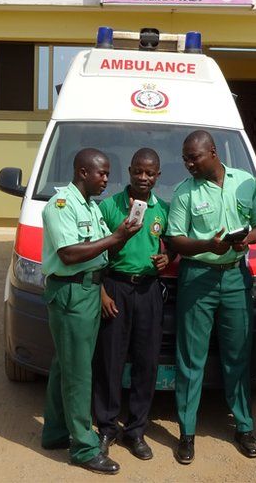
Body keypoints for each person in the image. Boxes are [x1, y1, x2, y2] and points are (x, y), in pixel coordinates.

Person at [165, 130, 256, 464]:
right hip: (198, 276)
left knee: (237, 354)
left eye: (193, 157)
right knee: (191, 358)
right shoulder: (185, 192)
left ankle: (243, 426)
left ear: (212, 152)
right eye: (185, 158)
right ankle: (187, 433)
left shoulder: (246, 183)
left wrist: (248, 238)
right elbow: (176, 240)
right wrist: (208, 245)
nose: (188, 164)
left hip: (236, 278)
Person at [39, 148, 141, 475]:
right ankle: (83, 448)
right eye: (102, 173)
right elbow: (69, 254)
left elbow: (101, 254)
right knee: (79, 372)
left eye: (108, 174)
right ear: (83, 171)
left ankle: (55, 431)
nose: (107, 180)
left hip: (89, 291)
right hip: (71, 293)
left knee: (64, 366)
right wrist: (115, 237)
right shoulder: (61, 206)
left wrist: (123, 236)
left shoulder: (91, 207)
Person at [93, 148, 169, 462]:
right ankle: (107, 426)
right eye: (138, 171)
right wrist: (101, 293)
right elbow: (94, 254)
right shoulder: (109, 207)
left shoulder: (162, 209)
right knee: (109, 359)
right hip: (116, 288)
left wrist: (167, 258)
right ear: (129, 170)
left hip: (149, 290)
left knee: (146, 361)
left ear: (157, 176)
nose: (143, 178)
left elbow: (169, 247)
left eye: (149, 173)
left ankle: (136, 429)